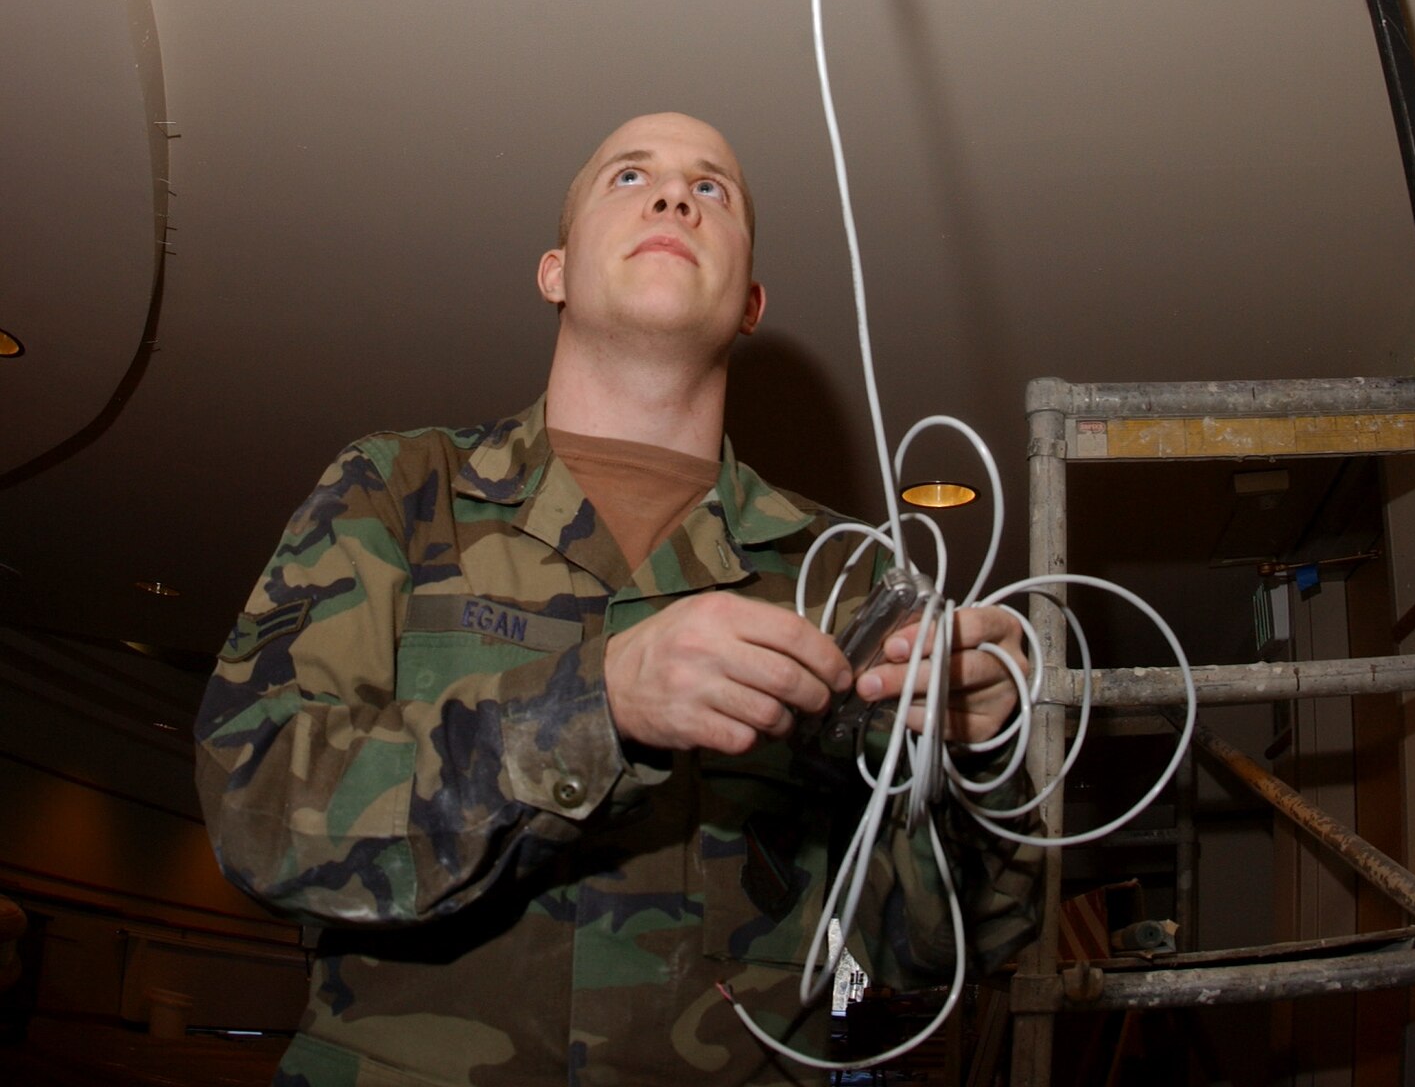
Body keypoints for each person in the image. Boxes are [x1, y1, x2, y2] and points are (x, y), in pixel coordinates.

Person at [197, 112, 1040, 1086]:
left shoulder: (841, 574)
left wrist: (979, 755)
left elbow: (947, 941)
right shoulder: (397, 490)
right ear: (553, 270)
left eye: (710, 186)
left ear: (752, 302)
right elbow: (257, 808)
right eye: (629, 175)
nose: (675, 195)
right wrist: (593, 705)